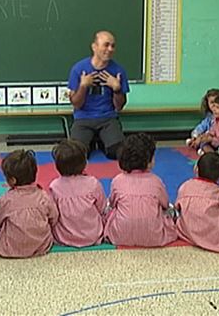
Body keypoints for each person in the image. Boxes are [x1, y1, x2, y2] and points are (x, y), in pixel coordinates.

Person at [103, 133, 177, 247]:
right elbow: (165, 205)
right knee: (170, 211)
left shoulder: (117, 180)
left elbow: (112, 204)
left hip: (120, 236)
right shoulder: (156, 181)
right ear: (149, 161)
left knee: (110, 210)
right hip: (154, 237)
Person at [68, 30, 130, 159]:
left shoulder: (118, 71)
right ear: (94, 47)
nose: (110, 49)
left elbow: (119, 107)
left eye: (113, 46)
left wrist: (117, 89)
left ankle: (103, 141)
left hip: (107, 118)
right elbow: (76, 104)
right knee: (77, 155)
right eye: (106, 45)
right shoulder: (78, 69)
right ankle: (91, 141)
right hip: (83, 118)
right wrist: (83, 86)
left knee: (117, 152)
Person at [0, 150, 59, 258]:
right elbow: (54, 217)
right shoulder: (43, 196)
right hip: (41, 246)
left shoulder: (5, 200)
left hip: (10, 248)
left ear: (12, 180)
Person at [49, 139, 107, 247]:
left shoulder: (54, 186)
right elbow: (102, 208)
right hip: (92, 235)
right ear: (85, 163)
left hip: (64, 237)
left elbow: (53, 214)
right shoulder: (93, 183)